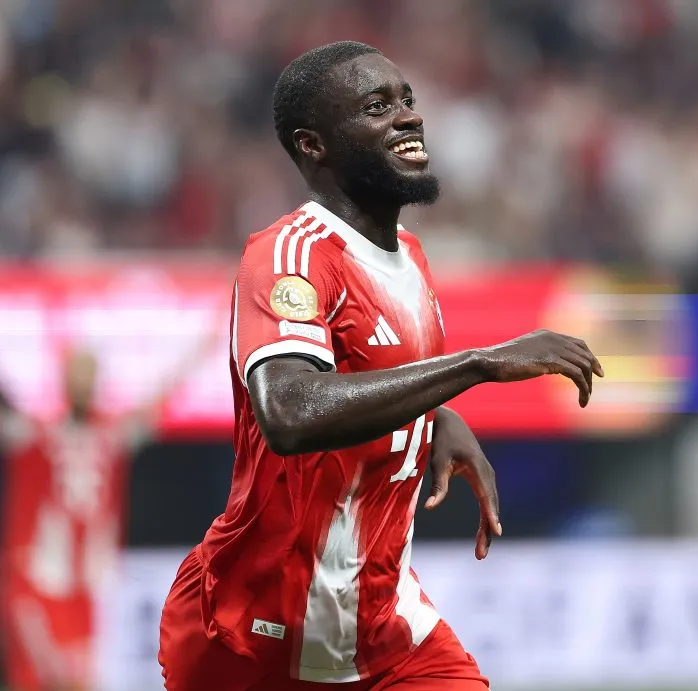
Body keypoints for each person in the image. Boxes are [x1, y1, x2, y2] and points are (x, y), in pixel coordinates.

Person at [157, 41, 603, 691]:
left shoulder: (411, 257)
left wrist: (439, 415)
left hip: (387, 630)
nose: (408, 118)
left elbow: (372, 367)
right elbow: (289, 410)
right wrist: (476, 364)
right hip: (255, 638)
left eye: (407, 101)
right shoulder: (290, 253)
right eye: (377, 107)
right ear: (315, 145)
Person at [0, 339, 213, 691]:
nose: (84, 383)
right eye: (77, 374)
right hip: (38, 585)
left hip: (90, 589)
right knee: (43, 680)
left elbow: (160, 399)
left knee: (84, 680)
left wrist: (208, 343)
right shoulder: (35, 434)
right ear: (64, 380)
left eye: (89, 374)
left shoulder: (111, 435)